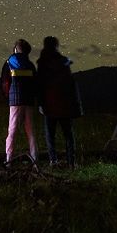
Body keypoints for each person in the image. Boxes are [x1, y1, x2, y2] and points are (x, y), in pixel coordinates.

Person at [36, 36, 81, 167]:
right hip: (65, 104)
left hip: (49, 104)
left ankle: (53, 160)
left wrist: (40, 103)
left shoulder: (42, 63)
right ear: (56, 46)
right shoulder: (63, 62)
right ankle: (71, 161)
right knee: (68, 134)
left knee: (50, 135)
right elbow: (70, 84)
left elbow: (40, 85)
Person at [2, 38, 38, 165]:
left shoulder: (9, 63)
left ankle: (9, 159)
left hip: (15, 101)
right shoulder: (30, 64)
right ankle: (34, 160)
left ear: (16, 49)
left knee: (12, 130)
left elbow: (5, 82)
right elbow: (35, 83)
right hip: (28, 100)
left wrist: (8, 96)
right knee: (30, 131)